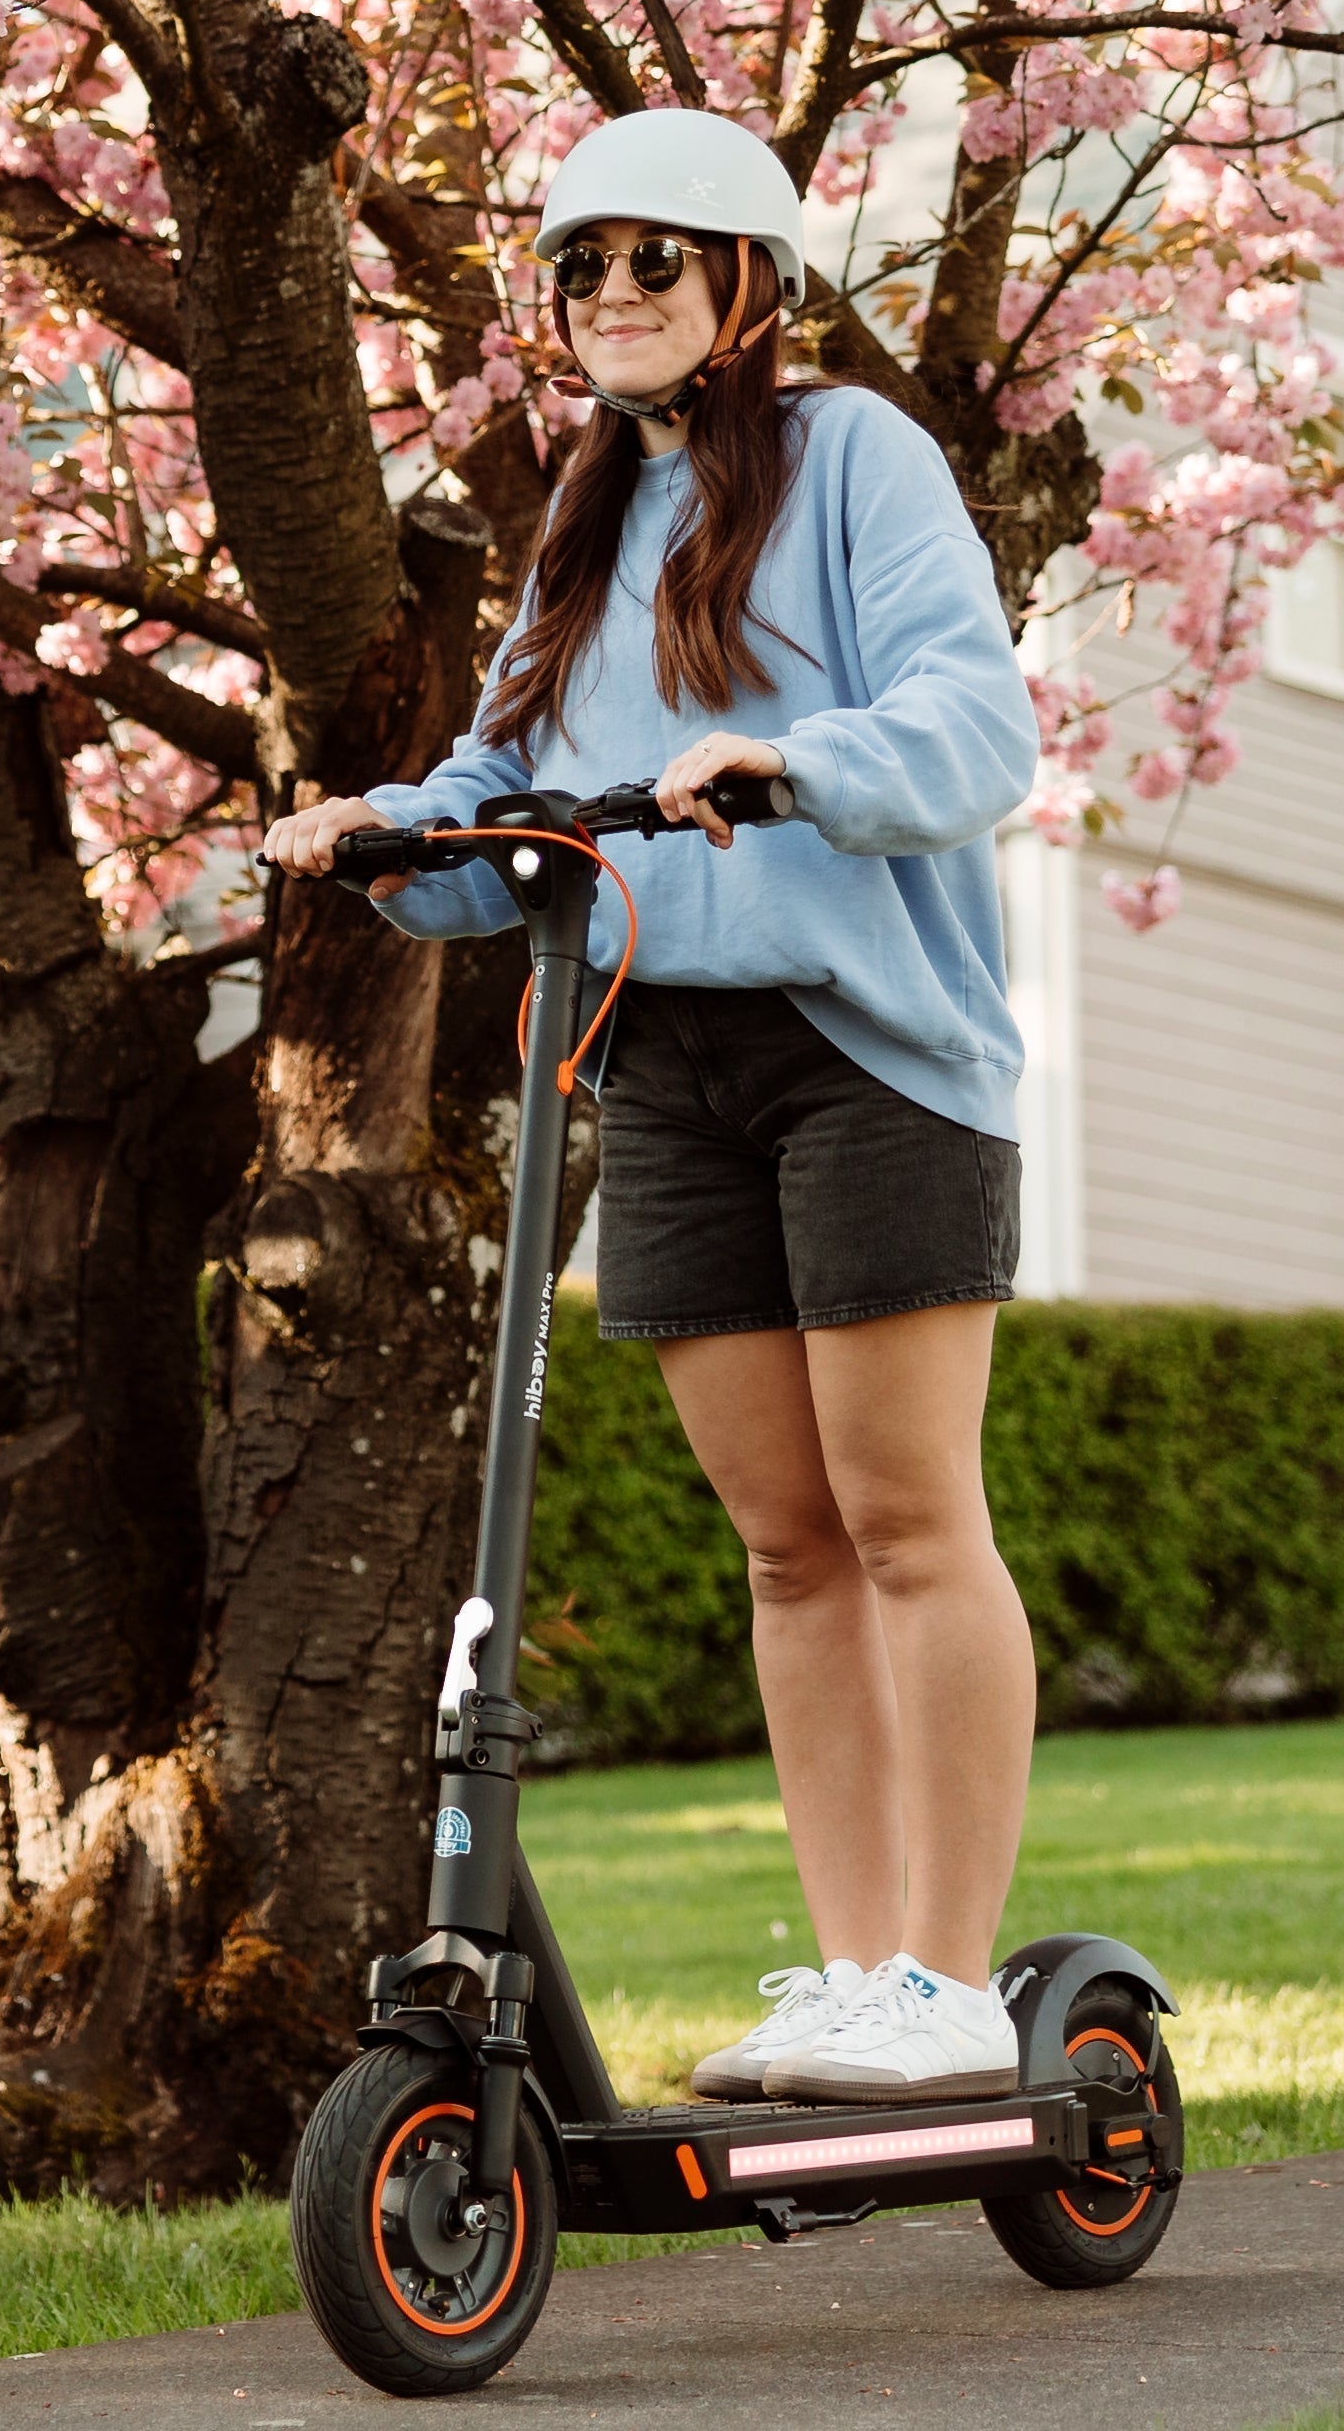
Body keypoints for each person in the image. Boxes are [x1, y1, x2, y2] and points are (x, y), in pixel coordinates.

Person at [260, 108, 1044, 2110]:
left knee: (899, 1513)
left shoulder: (861, 458)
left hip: (863, 1042)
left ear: (746, 284)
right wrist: (378, 836)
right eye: (579, 264)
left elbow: (971, 720)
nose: (611, 293)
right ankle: (852, 1969)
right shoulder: (586, 517)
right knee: (783, 1546)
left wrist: (793, 764)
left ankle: (948, 1982)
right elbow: (502, 781)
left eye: (653, 259)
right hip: (661, 1052)